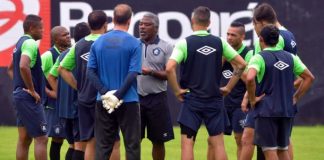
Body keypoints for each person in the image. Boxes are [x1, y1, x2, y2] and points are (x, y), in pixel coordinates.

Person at [166, 6, 246, 160]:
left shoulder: (184, 43)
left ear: (192, 21)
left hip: (192, 100)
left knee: (188, 144)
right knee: (218, 144)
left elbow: (169, 68)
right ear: (209, 22)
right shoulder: (220, 42)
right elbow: (241, 65)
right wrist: (228, 87)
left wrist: (177, 91)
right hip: (214, 100)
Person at [240, 3, 300, 160]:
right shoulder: (288, 35)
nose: (254, 29)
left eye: (254, 24)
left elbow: (267, 73)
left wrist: (253, 96)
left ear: (260, 22)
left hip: (266, 101)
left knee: (258, 141)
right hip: (274, 101)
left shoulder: (275, 37)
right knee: (281, 143)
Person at [245, 24, 314, 160]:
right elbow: (309, 78)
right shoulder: (291, 57)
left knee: (270, 151)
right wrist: (295, 97)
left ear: (261, 40)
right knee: (283, 150)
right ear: (278, 40)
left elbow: (249, 78)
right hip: (286, 110)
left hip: (267, 111)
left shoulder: (259, 57)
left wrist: (252, 99)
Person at [59, 11, 120, 160]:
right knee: (114, 142)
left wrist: (79, 87)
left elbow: (62, 69)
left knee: (90, 141)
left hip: (84, 99)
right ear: (105, 25)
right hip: (105, 99)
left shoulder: (78, 45)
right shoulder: (109, 42)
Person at [87, 4, 142, 160]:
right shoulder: (134, 43)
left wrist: (105, 93)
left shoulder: (98, 42)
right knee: (132, 146)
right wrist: (117, 95)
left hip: (103, 102)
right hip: (129, 101)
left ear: (113, 19)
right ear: (130, 20)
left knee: (103, 146)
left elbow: (90, 72)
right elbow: (133, 73)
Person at [207, 21, 254, 160]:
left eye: (233, 35)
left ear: (242, 37)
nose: (229, 37)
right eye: (227, 34)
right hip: (221, 103)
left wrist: (233, 59)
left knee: (240, 140)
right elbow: (213, 73)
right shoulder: (222, 51)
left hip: (240, 104)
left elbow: (247, 79)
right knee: (212, 140)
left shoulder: (249, 53)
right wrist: (224, 56)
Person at [47, 22, 90, 160]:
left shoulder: (63, 55)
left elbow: (51, 77)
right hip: (77, 107)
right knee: (80, 146)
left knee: (72, 145)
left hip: (64, 109)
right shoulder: (85, 54)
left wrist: (61, 95)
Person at [7, 14, 48, 160]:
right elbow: (23, 66)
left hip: (20, 96)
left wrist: (19, 86)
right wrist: (30, 89)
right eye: (41, 28)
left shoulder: (19, 42)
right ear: (32, 28)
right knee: (42, 138)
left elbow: (10, 68)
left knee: (24, 139)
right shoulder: (30, 43)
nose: (43, 31)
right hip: (29, 97)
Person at [137, 13, 174, 160]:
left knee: (158, 141)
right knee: (133, 140)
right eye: (140, 24)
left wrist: (151, 72)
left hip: (157, 99)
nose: (142, 27)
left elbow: (170, 74)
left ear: (156, 28)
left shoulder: (166, 46)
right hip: (136, 98)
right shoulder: (134, 44)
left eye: (146, 24)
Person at [41, 26, 71, 160]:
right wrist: (48, 92)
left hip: (68, 102)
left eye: (68, 34)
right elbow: (36, 76)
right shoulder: (48, 55)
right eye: (64, 35)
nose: (68, 36)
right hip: (54, 105)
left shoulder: (71, 52)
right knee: (57, 139)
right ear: (55, 39)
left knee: (72, 140)